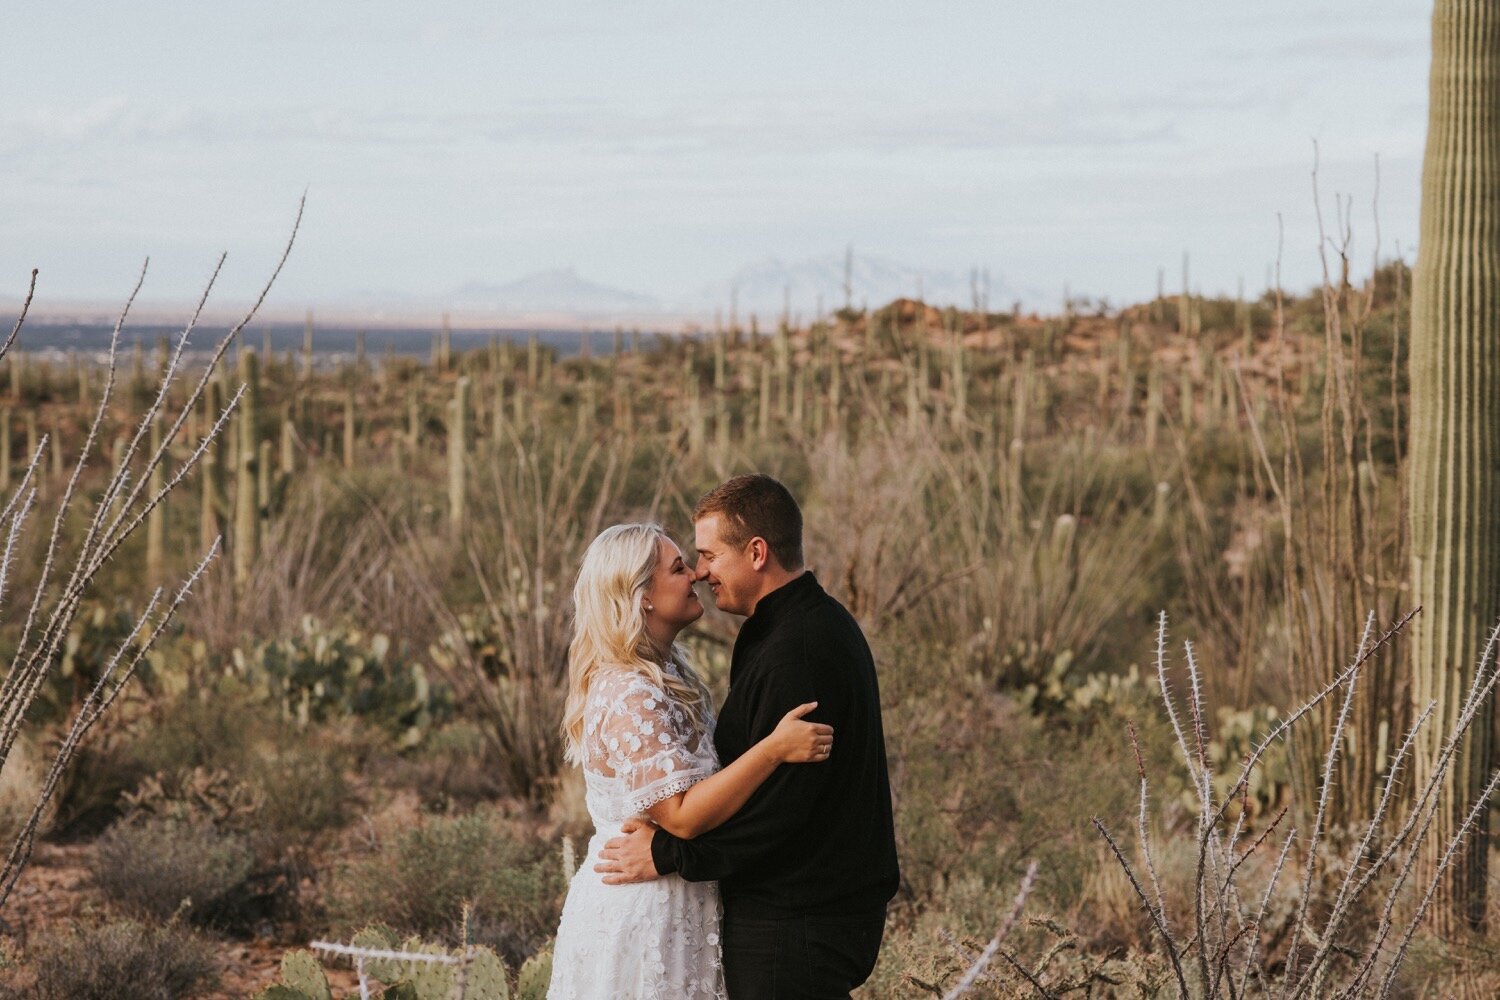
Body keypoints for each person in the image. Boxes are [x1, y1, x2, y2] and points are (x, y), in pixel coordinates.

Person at [595, 475, 900, 1000]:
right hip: (788, 914)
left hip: (796, 920)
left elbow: (781, 810)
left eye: (709, 555)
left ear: (757, 552)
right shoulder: (788, 630)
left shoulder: (798, 651)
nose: (700, 572)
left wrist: (669, 855)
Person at [549, 521, 834, 1000]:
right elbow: (680, 815)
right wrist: (773, 749)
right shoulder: (627, 691)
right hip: (640, 912)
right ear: (641, 595)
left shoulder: (670, 672)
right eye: (679, 568)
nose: (697, 575)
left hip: (683, 902)